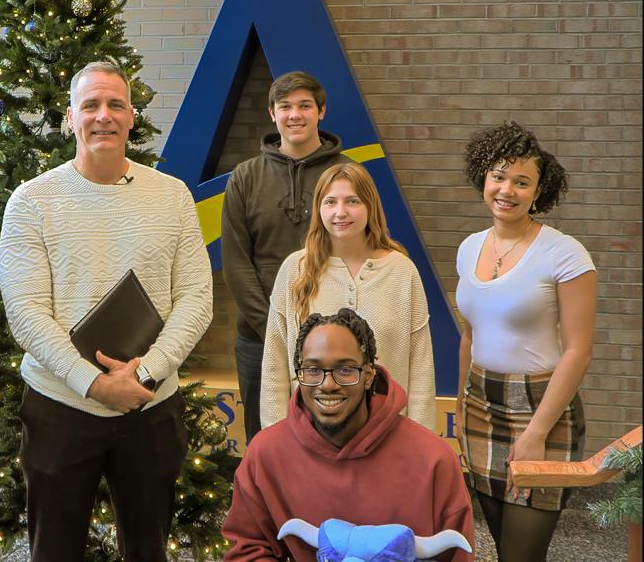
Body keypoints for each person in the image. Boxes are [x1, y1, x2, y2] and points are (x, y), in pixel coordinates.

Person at [0, 60, 212, 562]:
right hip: (59, 407)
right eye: (90, 104)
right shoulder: (32, 201)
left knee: (148, 550)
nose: (103, 116)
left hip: (151, 405)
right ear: (70, 117)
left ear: (132, 116)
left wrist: (148, 373)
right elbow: (26, 312)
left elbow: (197, 299)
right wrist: (92, 383)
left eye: (116, 104)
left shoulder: (173, 196)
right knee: (55, 551)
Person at [222, 309, 474, 562]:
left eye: (344, 370)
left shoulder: (433, 459)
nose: (327, 384)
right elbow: (248, 549)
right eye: (313, 369)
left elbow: (458, 555)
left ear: (368, 375)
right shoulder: (266, 453)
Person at [455, 121, 594, 562]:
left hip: (542, 409)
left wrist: (536, 432)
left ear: (538, 191)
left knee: (521, 555)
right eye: (498, 176)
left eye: (521, 182)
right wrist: (459, 407)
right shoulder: (468, 247)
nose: (506, 190)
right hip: (480, 404)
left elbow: (578, 350)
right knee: (501, 548)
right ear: (484, 178)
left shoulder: (565, 253)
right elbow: (469, 335)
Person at [260, 162, 435, 431]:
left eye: (352, 201)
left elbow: (420, 369)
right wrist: (276, 437)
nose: (340, 212)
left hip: (387, 432)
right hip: (311, 432)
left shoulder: (402, 271)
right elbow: (275, 366)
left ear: (370, 207)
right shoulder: (295, 269)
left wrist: (422, 443)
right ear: (318, 209)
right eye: (330, 202)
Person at [222, 70, 347, 443]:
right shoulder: (245, 177)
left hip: (334, 340)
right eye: (285, 106)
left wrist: (324, 334)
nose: (295, 114)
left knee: (333, 440)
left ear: (321, 111)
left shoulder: (347, 174)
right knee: (266, 441)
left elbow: (357, 256)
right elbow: (236, 263)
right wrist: (278, 331)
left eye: (305, 106)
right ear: (272, 113)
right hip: (258, 339)